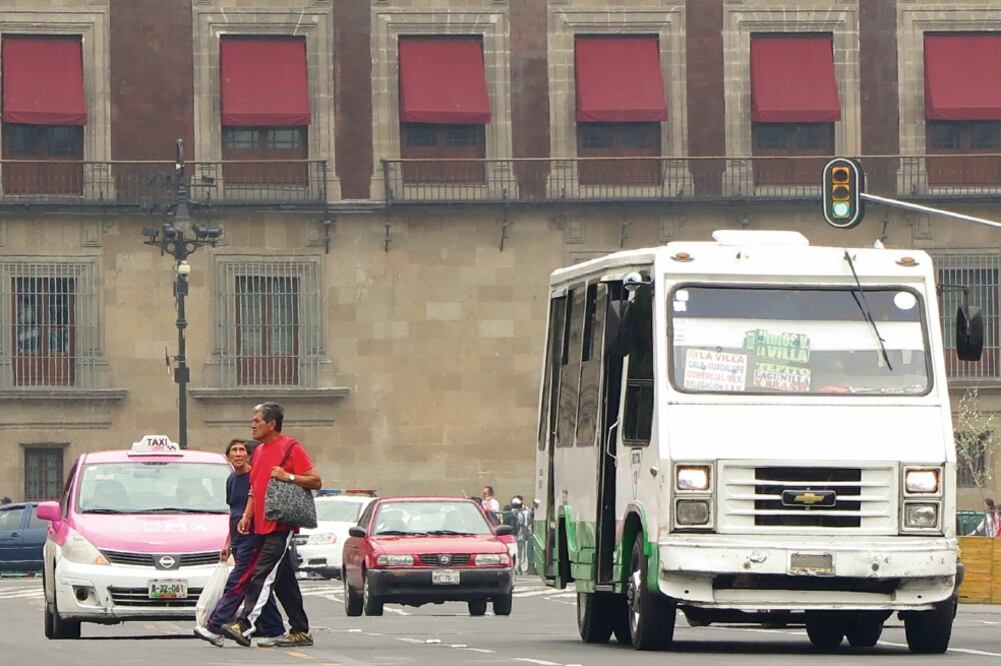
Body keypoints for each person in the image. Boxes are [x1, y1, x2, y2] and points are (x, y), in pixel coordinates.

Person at [219, 403, 322, 649]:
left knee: (261, 574)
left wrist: (289, 477)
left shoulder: (291, 448)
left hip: (280, 524)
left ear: (271, 424)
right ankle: (300, 630)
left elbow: (316, 480)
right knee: (284, 580)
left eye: (257, 421)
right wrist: (247, 516)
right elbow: (256, 488)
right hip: (261, 526)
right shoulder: (260, 452)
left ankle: (244, 625)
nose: (252, 425)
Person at [194, 438, 284, 647]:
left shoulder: (255, 478)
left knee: (238, 582)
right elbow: (233, 514)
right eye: (233, 450)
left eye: (242, 450)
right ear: (228, 456)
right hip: (238, 541)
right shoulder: (231, 480)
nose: (238, 454)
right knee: (254, 584)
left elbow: (256, 509)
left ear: (248, 455)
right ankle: (275, 629)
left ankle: (214, 626)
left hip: (253, 539)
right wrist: (227, 543)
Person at [508, 496, 531, 575]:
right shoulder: (518, 513)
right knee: (518, 553)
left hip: (517, 537)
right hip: (515, 537)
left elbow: (524, 525)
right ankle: (516, 567)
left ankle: (518, 567)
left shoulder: (522, 512)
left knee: (518, 553)